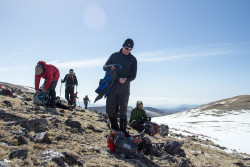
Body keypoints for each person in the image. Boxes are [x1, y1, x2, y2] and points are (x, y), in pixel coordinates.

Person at [103, 38, 137, 136]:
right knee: (109, 110)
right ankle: (115, 128)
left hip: (124, 88)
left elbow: (134, 75)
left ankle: (123, 131)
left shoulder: (133, 59)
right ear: (123, 46)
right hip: (112, 87)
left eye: (130, 49)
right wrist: (111, 67)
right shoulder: (114, 55)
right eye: (127, 48)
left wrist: (126, 80)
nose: (128, 51)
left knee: (123, 111)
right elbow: (104, 67)